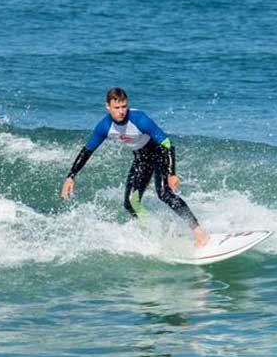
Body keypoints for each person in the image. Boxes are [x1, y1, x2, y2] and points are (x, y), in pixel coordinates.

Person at [61, 87, 209, 247]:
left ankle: (199, 232)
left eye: (124, 106)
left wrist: (172, 173)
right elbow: (87, 151)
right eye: (117, 108)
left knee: (164, 194)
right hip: (141, 158)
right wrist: (71, 176)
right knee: (131, 203)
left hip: (159, 153)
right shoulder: (104, 126)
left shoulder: (139, 119)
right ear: (108, 107)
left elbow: (167, 144)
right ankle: (158, 232)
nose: (121, 111)